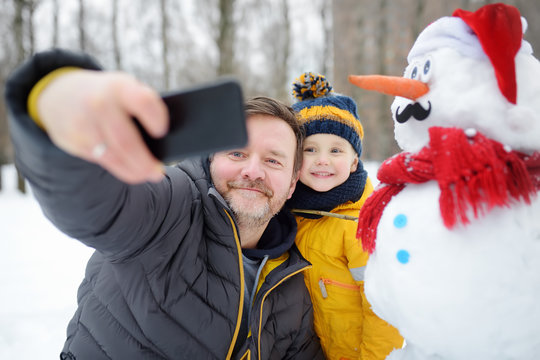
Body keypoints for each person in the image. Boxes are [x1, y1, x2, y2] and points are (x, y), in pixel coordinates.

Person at [5, 49, 324, 360]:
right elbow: (93, 203)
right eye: (237, 153)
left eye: (272, 160)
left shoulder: (293, 282)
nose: (252, 170)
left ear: (293, 181)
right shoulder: (169, 207)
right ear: (212, 157)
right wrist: (54, 104)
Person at [286, 72, 403, 359]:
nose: (322, 159)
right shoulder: (292, 213)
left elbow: (384, 311)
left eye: (335, 150)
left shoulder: (360, 224)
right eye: (310, 149)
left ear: (353, 162)